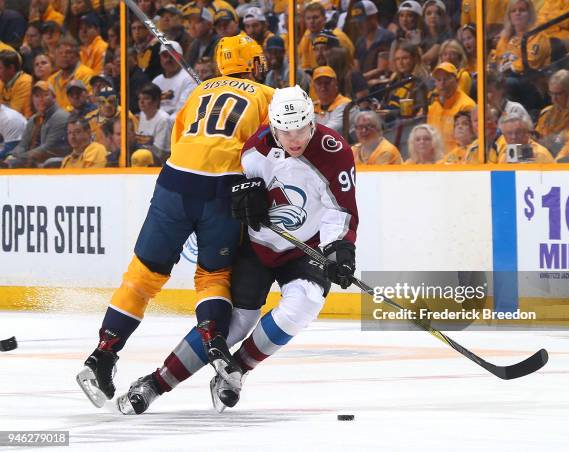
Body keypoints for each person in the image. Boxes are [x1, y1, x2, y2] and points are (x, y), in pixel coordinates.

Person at [115, 86, 358, 415]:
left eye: (301, 129)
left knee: (305, 303)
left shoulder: (334, 152)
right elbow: (231, 190)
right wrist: (243, 202)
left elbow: (339, 210)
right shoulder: (254, 149)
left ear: (312, 122)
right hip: (256, 247)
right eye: (286, 131)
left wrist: (339, 249)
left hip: (305, 249)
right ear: (273, 125)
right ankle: (156, 382)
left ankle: (235, 371)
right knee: (237, 324)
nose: (294, 138)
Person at [76, 34, 274, 410]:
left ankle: (102, 355)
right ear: (253, 64)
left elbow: (183, 139)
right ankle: (214, 342)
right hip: (224, 189)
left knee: (143, 274)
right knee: (213, 275)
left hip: (174, 180)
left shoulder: (198, 93)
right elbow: (265, 151)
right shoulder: (266, 94)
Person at [5, 81, 69, 168]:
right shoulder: (34, 119)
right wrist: (11, 156)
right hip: (29, 161)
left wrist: (18, 159)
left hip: (50, 164)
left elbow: (47, 148)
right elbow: (23, 145)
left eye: (45, 95)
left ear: (54, 97)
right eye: (37, 96)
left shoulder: (61, 117)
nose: (40, 99)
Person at [152, 40, 198, 120]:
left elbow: (183, 109)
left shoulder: (189, 79)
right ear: (160, 58)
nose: (168, 59)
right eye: (165, 56)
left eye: (172, 56)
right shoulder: (156, 81)